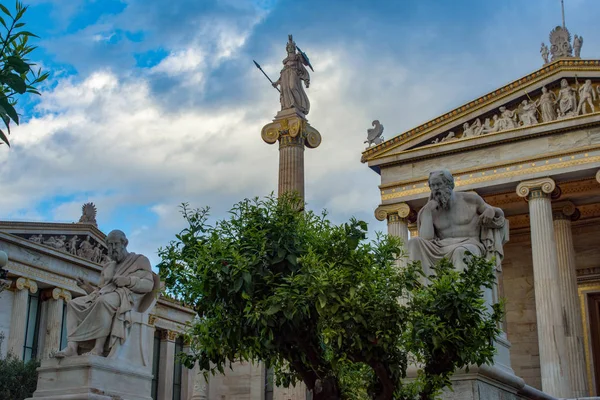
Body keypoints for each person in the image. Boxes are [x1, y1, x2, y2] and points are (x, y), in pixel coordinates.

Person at [55, 230, 155, 357]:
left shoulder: (140, 260)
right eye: (110, 245)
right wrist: (86, 287)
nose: (113, 249)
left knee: (103, 302)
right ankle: (72, 347)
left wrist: (127, 281)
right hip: (105, 296)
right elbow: (100, 291)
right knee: (73, 304)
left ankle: (98, 348)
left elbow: (148, 284)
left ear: (125, 243)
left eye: (116, 244)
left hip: (124, 296)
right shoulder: (108, 266)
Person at [407, 169, 507, 275]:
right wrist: (427, 211)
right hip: (441, 248)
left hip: (470, 244)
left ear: (450, 184)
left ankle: (461, 291)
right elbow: (426, 239)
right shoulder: (428, 210)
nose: (435, 189)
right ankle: (421, 288)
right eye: (432, 186)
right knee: (414, 243)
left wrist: (490, 211)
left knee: (461, 252)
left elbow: (497, 214)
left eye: (439, 184)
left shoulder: (470, 199)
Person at [272, 35, 311, 115]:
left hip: (293, 73)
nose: (290, 48)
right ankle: (289, 105)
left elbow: (305, 64)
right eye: (289, 47)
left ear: (294, 48)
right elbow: (282, 74)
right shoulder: (285, 61)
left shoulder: (297, 57)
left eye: (292, 47)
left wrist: (306, 80)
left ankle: (300, 105)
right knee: (286, 89)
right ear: (287, 49)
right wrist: (276, 82)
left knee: (293, 87)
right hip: (285, 75)